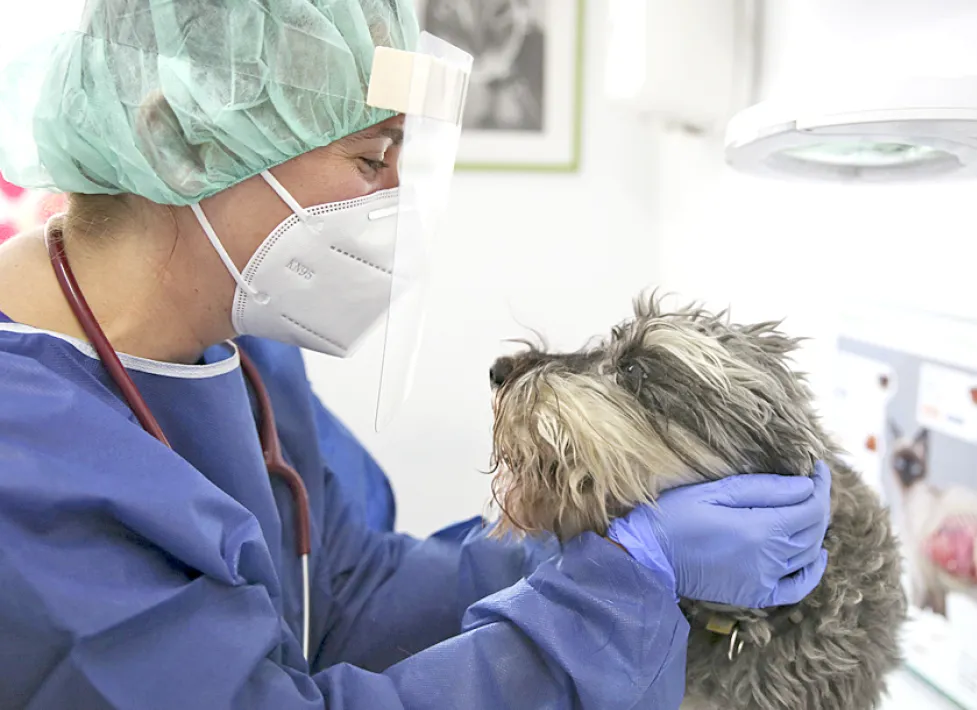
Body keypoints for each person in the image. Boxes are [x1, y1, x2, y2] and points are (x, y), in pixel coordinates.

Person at [0, 2, 833, 708]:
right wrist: (620, 586)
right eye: (371, 159)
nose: (396, 201)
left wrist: (590, 540)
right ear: (181, 141)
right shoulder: (26, 473)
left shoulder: (231, 358)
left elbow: (339, 593)